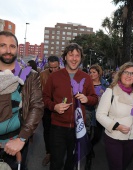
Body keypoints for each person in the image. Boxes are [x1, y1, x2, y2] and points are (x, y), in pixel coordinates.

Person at [43, 43, 98, 170]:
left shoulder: (86, 78)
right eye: (71, 55)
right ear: (65, 57)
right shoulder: (54, 76)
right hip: (57, 127)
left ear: (80, 58)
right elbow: (45, 98)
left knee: (72, 161)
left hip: (78, 127)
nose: (74, 58)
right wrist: (54, 106)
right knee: (56, 162)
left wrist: (87, 99)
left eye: (77, 55)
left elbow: (94, 99)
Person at [0, 31, 43, 170]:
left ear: (17, 49)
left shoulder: (30, 76)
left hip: (15, 143)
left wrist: (22, 138)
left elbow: (36, 106)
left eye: (12, 46)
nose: (8, 50)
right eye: (3, 45)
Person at [96, 62, 133, 170]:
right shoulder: (110, 92)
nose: (129, 76)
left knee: (125, 165)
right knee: (116, 167)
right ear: (120, 74)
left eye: (132, 73)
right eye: (126, 72)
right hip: (114, 137)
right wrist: (116, 126)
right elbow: (100, 115)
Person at [85, 64, 109, 169]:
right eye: (90, 72)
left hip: (101, 113)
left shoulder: (106, 84)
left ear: (99, 73)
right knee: (87, 135)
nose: (91, 74)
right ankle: (88, 159)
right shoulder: (86, 83)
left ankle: (89, 147)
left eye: (94, 72)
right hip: (88, 112)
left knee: (97, 136)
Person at [40, 55, 60, 166]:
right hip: (47, 108)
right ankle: (48, 153)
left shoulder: (64, 74)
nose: (53, 70)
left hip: (60, 108)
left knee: (58, 132)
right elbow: (39, 92)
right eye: (51, 67)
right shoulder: (42, 74)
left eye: (55, 67)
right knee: (47, 131)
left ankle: (57, 153)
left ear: (59, 64)